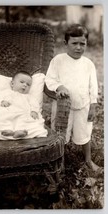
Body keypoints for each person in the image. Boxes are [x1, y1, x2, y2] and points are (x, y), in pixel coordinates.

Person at [45, 24, 100, 171]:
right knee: (61, 132)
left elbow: (93, 86)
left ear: (86, 44)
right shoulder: (58, 60)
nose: (78, 48)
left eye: (82, 44)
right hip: (63, 106)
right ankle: (60, 161)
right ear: (65, 44)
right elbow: (50, 79)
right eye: (74, 43)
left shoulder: (88, 64)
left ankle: (88, 160)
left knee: (85, 132)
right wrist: (59, 87)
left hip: (83, 104)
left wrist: (93, 106)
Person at [0, 71, 48, 139]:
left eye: (28, 84)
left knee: (24, 120)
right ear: (12, 83)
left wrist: (34, 111)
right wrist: (1, 102)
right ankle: (7, 129)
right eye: (22, 82)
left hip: (22, 113)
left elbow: (35, 104)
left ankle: (20, 131)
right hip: (8, 111)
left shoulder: (29, 97)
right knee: (2, 117)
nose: (25, 85)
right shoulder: (6, 92)